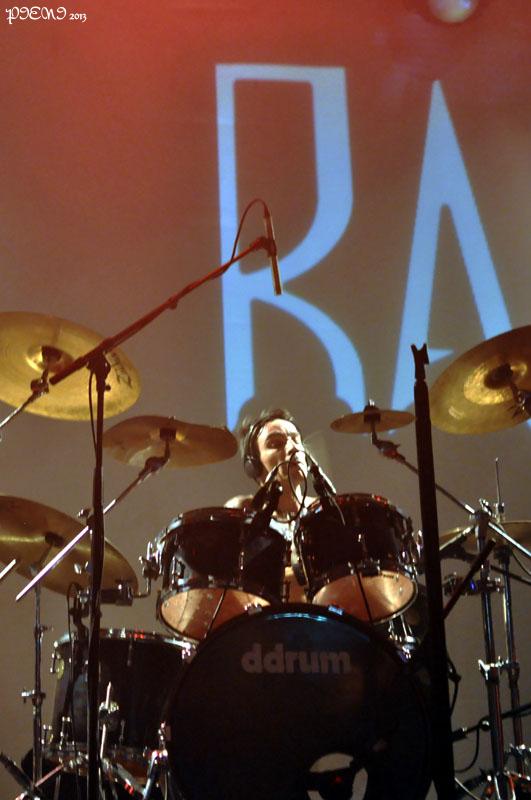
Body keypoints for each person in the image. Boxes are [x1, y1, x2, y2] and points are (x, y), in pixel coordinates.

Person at [225, 408, 317, 602]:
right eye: (276, 443)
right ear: (254, 466)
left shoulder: (322, 510)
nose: (293, 448)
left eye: (296, 439)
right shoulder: (244, 510)